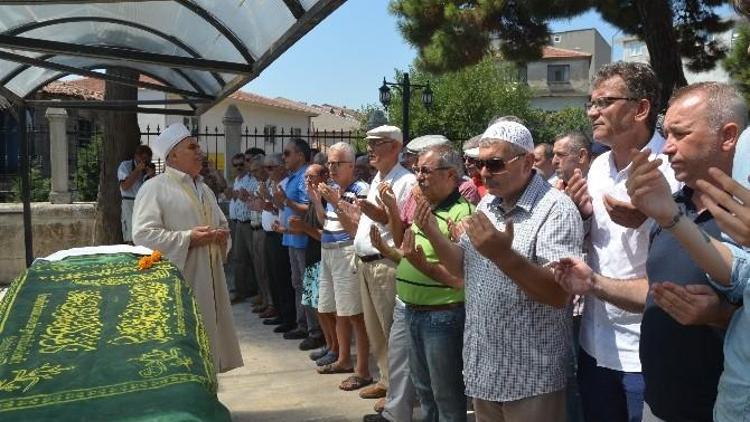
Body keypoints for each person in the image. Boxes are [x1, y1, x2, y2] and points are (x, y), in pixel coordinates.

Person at [424, 121, 583, 421]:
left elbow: (557, 294)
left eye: (494, 164)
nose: (483, 173)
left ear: (527, 161)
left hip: (531, 377)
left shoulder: (555, 210)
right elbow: (465, 269)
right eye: (479, 163)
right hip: (485, 370)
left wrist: (502, 255)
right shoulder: (487, 204)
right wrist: (430, 231)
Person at [559, 62, 679, 422]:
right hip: (595, 344)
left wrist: (657, 217)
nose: (593, 112)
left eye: (604, 102)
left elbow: (696, 253)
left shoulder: (671, 168)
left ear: (641, 109)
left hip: (647, 350)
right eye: (591, 103)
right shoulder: (596, 168)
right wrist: (579, 214)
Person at [618, 82, 742, 421]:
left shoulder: (745, 216)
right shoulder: (672, 207)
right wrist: (593, 283)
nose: (667, 148)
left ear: (728, 136)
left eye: (680, 134)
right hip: (657, 405)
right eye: (666, 134)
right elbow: (656, 289)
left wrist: (723, 316)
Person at [372, 144, 473, 421]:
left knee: (446, 395)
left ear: (451, 175)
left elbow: (459, 277)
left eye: (425, 171)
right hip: (412, 311)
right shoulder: (425, 207)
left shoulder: (462, 213)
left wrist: (422, 266)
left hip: (442, 316)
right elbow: (409, 252)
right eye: (417, 170)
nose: (418, 177)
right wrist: (390, 241)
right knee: (424, 391)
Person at [131, 123, 242, 374]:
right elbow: (142, 235)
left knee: (209, 345)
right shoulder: (154, 188)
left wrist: (222, 237)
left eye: (198, 146)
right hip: (182, 282)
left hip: (210, 278)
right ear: (172, 156)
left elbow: (222, 224)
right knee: (185, 348)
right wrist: (187, 238)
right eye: (192, 147)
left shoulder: (204, 189)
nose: (200, 151)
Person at [353, 125, 417, 403]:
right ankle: (385, 379)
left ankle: (399, 392)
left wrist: (379, 214)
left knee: (393, 331)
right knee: (376, 329)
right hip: (367, 263)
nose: (370, 149)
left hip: (385, 264)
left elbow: (400, 229)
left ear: (394, 146)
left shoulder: (405, 181)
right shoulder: (379, 177)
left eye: (376, 143)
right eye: (369, 143)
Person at [314, 142, 373, 392]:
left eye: (337, 163)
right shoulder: (334, 190)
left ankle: (362, 370)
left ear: (351, 166)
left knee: (355, 314)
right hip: (328, 251)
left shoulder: (361, 190)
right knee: (336, 309)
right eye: (329, 163)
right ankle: (343, 359)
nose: (331, 168)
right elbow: (324, 221)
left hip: (346, 252)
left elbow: (357, 228)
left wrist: (336, 201)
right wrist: (318, 200)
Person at [277, 139, 322, 345]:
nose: (283, 158)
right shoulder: (293, 177)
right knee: (298, 284)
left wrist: (286, 201)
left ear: (300, 156)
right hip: (292, 238)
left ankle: (315, 331)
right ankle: (302, 324)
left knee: (308, 285)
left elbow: (309, 208)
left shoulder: (305, 176)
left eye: (287, 153)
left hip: (304, 240)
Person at [288, 164, 329, 352]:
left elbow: (325, 234)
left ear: (323, 177)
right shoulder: (314, 200)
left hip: (324, 258)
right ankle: (323, 340)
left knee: (324, 306)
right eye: (305, 177)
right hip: (312, 255)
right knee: (313, 300)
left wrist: (303, 228)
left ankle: (327, 342)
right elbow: (309, 228)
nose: (307, 181)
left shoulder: (327, 201)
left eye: (311, 177)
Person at [259, 154, 297, 333]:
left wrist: (270, 199)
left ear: (281, 167)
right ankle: (279, 312)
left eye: (271, 167)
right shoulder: (271, 184)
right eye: (266, 168)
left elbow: (284, 208)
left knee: (283, 278)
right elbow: (274, 208)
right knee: (273, 276)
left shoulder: (287, 184)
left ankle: (288, 317)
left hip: (282, 235)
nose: (268, 171)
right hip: (270, 233)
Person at [118, 144, 154, 243]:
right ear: (136, 156)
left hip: (145, 204)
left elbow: (153, 190)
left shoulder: (148, 169)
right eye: (142, 158)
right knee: (130, 234)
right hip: (130, 202)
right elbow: (125, 186)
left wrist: (151, 176)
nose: (144, 161)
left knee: (144, 232)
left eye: (147, 159)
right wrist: (137, 170)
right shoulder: (125, 166)